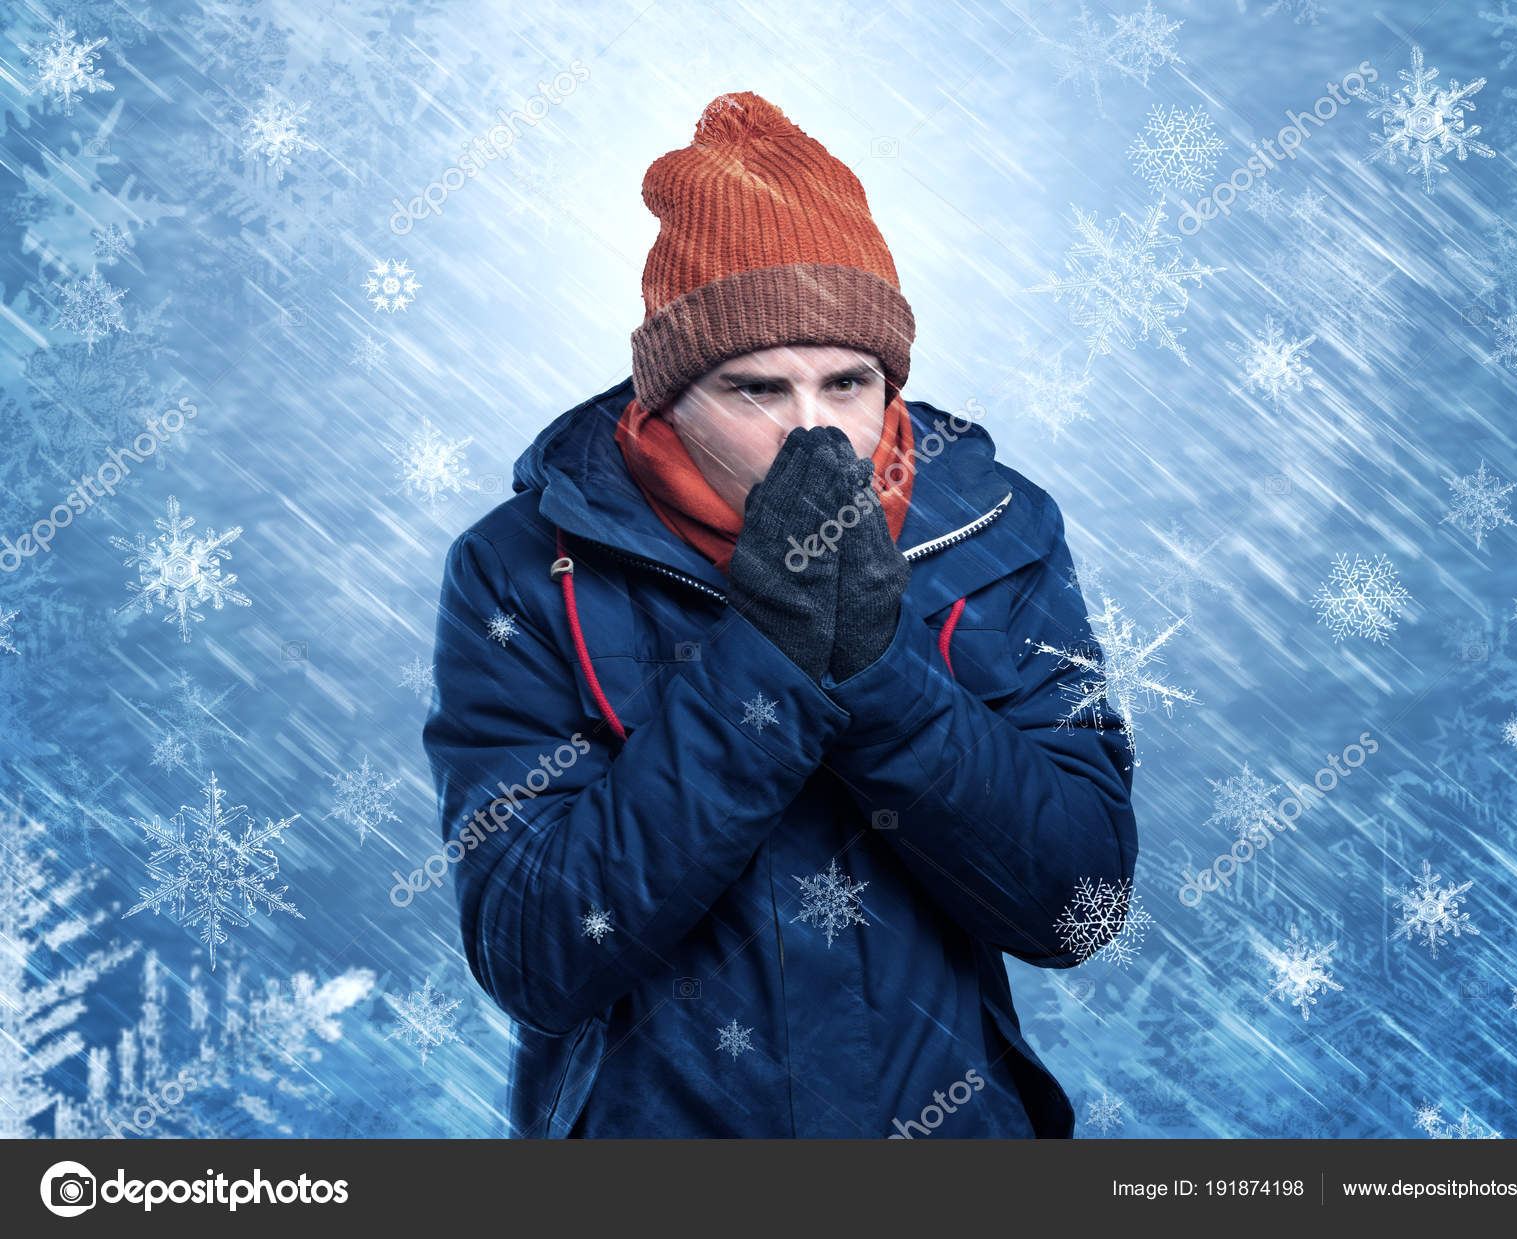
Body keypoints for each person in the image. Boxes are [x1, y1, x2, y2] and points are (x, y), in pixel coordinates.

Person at [422, 91, 1137, 1138]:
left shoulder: (992, 528)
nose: (815, 434)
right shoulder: (523, 566)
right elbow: (538, 951)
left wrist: (878, 671)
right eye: (756, 390)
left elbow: (1078, 906)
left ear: (888, 385)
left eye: (846, 383)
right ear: (669, 397)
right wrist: (764, 656)